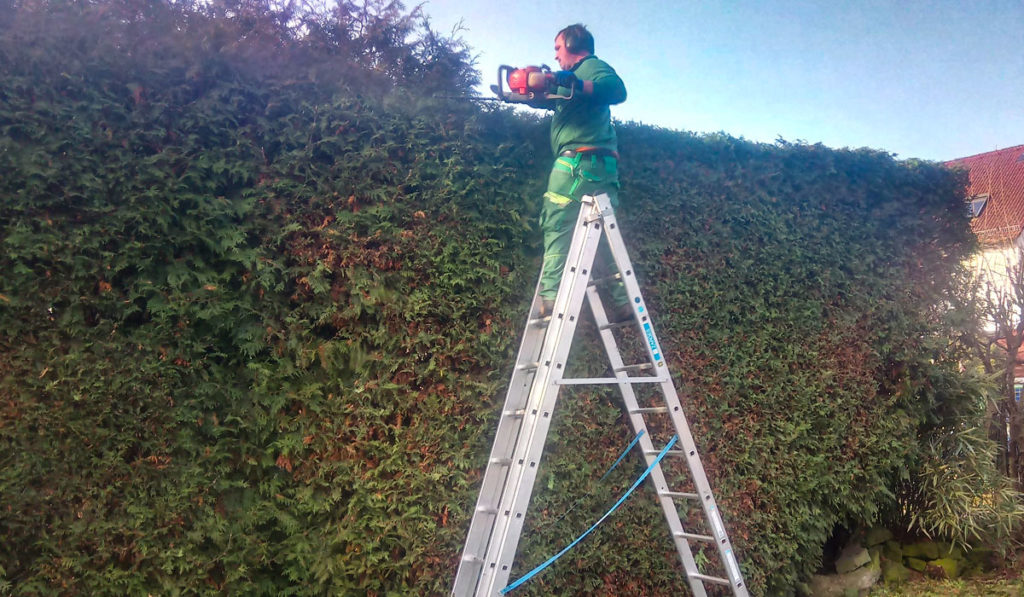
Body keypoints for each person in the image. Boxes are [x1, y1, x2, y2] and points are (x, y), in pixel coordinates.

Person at [533, 24, 630, 320]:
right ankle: (624, 301)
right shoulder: (573, 81)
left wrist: (574, 81)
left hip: (576, 165)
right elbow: (560, 98)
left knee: (557, 221)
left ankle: (549, 297)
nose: (556, 55)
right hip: (601, 167)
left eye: (558, 48)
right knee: (603, 235)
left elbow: (617, 90)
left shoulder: (591, 68)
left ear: (574, 45)